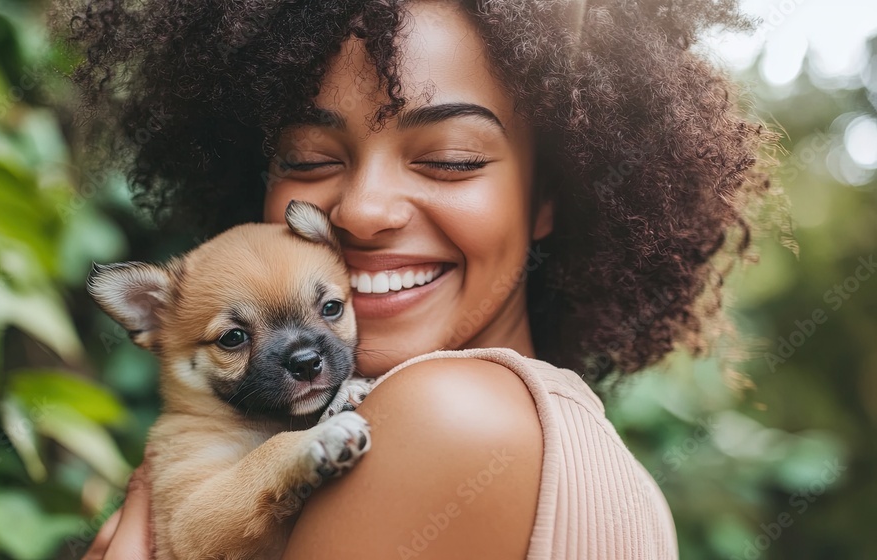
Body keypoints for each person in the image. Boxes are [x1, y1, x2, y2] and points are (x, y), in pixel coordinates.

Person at [60, 0, 775, 558]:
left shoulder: (444, 420)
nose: (363, 211)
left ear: (551, 195)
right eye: (308, 160)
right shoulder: (600, 465)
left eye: (453, 158)